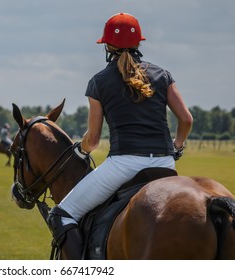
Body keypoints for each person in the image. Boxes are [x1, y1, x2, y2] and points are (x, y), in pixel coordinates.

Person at [47, 12, 193, 259]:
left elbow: (92, 140)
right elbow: (186, 119)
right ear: (139, 43)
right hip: (165, 163)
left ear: (107, 46)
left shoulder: (99, 81)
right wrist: (176, 147)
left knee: (62, 214)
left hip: (123, 165)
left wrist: (81, 149)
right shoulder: (162, 75)